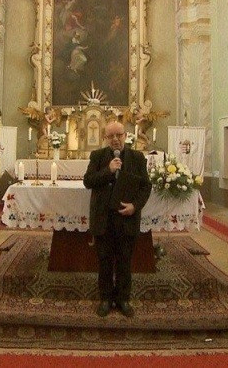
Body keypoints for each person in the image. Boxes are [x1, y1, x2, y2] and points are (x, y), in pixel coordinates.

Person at [83, 121, 151, 318]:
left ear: (125, 136)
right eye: (110, 136)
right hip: (103, 218)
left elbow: (145, 186)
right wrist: (109, 170)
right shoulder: (97, 156)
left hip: (127, 218)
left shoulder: (137, 158)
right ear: (105, 138)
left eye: (118, 135)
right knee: (104, 261)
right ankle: (105, 299)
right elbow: (88, 181)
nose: (115, 139)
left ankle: (123, 299)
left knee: (124, 261)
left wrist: (135, 206)